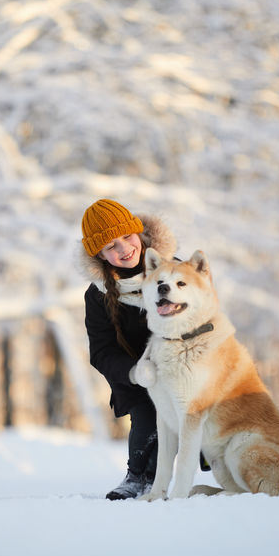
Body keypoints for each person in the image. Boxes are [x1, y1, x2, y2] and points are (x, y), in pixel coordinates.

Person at [78, 198, 177, 500]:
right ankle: (139, 476)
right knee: (146, 413)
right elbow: (101, 350)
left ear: (140, 233)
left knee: (196, 409)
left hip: (182, 366)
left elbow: (203, 317)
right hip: (138, 375)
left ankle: (213, 456)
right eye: (110, 247)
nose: (124, 249)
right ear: (100, 255)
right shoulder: (98, 296)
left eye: (127, 237)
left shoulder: (173, 272)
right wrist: (134, 372)